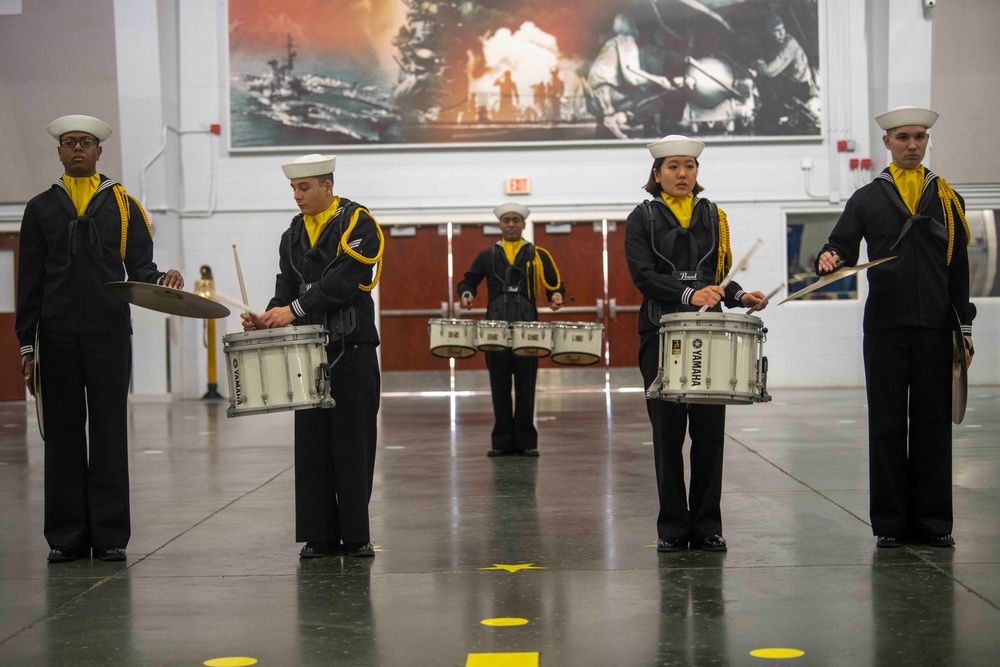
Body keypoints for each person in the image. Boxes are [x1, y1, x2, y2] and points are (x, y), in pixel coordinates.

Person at [15, 114, 184, 563]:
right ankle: (66, 538)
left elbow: (142, 269)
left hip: (109, 333)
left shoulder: (126, 206)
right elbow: (28, 284)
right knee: (63, 435)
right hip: (56, 335)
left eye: (85, 142)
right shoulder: (39, 209)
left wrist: (163, 279)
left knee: (110, 432)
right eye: (69, 142)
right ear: (58, 151)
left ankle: (109, 535)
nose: (77, 149)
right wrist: (27, 347)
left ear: (99, 151)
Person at [815, 106, 975, 549]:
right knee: (886, 425)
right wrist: (828, 257)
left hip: (935, 328)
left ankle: (933, 522)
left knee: (933, 425)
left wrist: (964, 328)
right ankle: (889, 523)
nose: (912, 145)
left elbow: (959, 267)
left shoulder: (948, 198)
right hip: (884, 328)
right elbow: (839, 247)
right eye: (903, 137)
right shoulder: (866, 198)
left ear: (926, 142)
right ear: (886, 143)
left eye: (920, 137)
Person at [624, 135, 767, 552]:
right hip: (661, 334)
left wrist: (740, 297)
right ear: (657, 174)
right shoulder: (642, 218)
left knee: (709, 435)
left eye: (689, 166)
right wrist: (689, 294)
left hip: (709, 334)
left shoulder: (713, 216)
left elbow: (719, 276)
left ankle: (707, 527)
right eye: (673, 167)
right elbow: (643, 276)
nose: (682, 173)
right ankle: (672, 528)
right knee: (667, 436)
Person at [242, 154, 385, 558]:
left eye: (304, 188)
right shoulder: (292, 234)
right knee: (312, 443)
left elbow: (342, 282)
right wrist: (269, 315)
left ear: (328, 186)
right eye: (293, 188)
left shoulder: (359, 223)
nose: (297, 196)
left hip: (351, 346)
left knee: (353, 441)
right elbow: (286, 286)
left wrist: (294, 311)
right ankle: (318, 535)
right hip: (307, 348)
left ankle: (356, 535)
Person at [457, 203, 565, 457]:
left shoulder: (537, 254)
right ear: (500, 225)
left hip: (529, 331)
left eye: (516, 220)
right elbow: (467, 281)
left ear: (524, 225)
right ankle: (502, 441)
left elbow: (555, 284)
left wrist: (557, 296)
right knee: (499, 384)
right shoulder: (487, 255)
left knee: (527, 385)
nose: (511, 224)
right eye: (506, 220)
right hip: (495, 330)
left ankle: (527, 442)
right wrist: (466, 294)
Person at [587, 13, 688, 140]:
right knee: (654, 102)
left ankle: (611, 120)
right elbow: (631, 74)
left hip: (596, 95)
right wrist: (658, 80)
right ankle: (618, 118)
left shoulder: (613, 43)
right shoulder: (627, 41)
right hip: (607, 93)